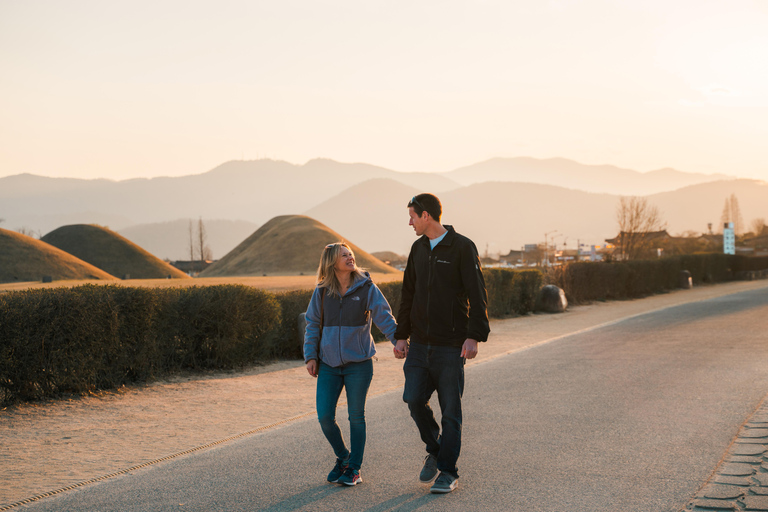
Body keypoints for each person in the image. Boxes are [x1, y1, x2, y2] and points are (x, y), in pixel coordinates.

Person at [394, 193, 490, 494]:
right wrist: (401, 334)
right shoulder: (418, 248)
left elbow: (478, 293)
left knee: (451, 412)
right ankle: (435, 449)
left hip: (450, 346)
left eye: (412, 216)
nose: (409, 222)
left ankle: (448, 471)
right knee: (412, 399)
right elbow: (408, 292)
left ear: (426, 216)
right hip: (420, 345)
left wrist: (474, 335)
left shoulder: (462, 247)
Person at [304, 242, 398, 486]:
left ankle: (354, 469)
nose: (350, 258)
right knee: (325, 416)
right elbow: (313, 324)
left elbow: (384, 317)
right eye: (343, 255)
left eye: (350, 254)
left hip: (359, 364)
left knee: (356, 416)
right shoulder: (322, 291)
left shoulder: (366, 287)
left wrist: (398, 341)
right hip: (328, 365)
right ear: (332, 262)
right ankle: (344, 457)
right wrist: (311, 356)